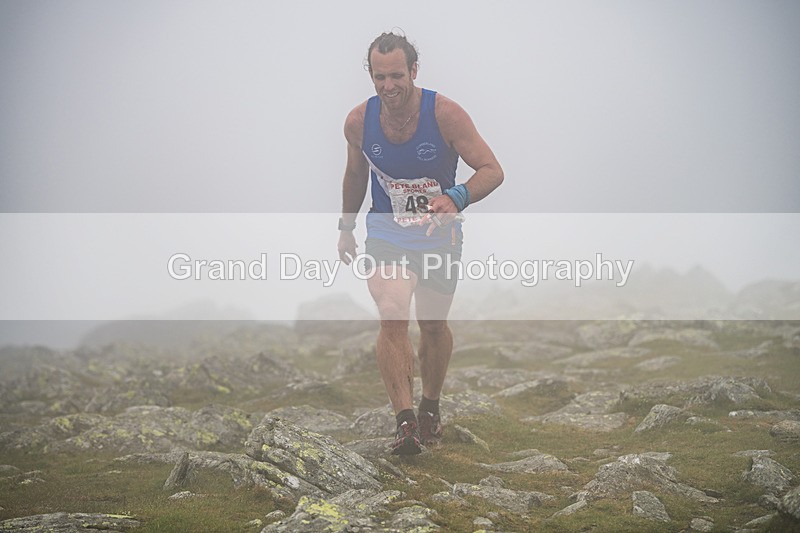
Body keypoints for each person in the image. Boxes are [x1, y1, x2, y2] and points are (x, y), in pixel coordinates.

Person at [337, 31, 503, 455]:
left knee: (432, 326)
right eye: (379, 77)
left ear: (413, 71)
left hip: (438, 235)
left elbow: (491, 169)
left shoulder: (445, 114)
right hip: (387, 232)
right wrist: (345, 227)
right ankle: (405, 422)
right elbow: (356, 175)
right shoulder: (358, 122)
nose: (388, 86)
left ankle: (430, 406)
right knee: (392, 310)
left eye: (396, 76)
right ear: (370, 75)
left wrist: (457, 197)